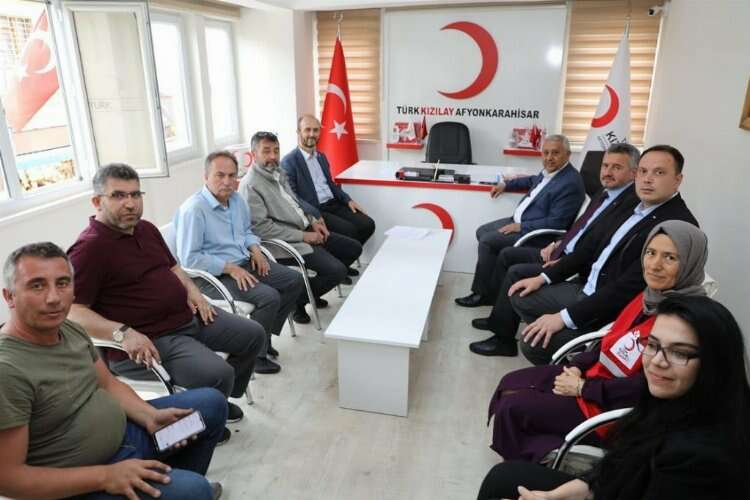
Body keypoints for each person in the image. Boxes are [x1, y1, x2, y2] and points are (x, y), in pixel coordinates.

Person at [0, 242, 227, 500]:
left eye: (62, 283)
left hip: (126, 437)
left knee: (211, 405)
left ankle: (173, 482)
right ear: (10, 297)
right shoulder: (7, 370)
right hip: (80, 480)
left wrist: (149, 415)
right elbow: (8, 479)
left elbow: (108, 384)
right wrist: (106, 476)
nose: (53, 298)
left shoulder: (68, 329)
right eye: (37, 285)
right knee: (196, 491)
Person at [477, 295, 750, 500]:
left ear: (714, 363)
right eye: (653, 345)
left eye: (679, 352)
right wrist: (559, 495)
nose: (657, 361)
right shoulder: (669, 401)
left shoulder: (701, 457)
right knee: (504, 477)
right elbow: (617, 469)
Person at [67, 164, 265, 439]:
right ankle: (206, 420)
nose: (130, 203)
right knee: (218, 373)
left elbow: (174, 268)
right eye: (119, 195)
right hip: (152, 340)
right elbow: (73, 311)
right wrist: (122, 333)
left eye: (135, 194)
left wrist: (194, 292)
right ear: (97, 201)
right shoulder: (89, 249)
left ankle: (215, 403)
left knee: (253, 335)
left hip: (188, 317)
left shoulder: (145, 229)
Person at [486, 221, 708, 463]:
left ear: (690, 264)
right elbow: (612, 340)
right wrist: (577, 365)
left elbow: (648, 387)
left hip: (610, 408)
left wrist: (583, 388)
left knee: (513, 407)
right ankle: (528, 456)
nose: (654, 265)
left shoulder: (684, 323)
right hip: (595, 378)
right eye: (650, 253)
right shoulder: (649, 297)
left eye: (670, 258)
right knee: (510, 383)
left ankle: (523, 468)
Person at [470, 145, 699, 361]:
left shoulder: (676, 226)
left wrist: (563, 318)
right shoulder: (634, 206)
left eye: (659, 172)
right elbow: (589, 246)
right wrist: (543, 277)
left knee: (532, 344)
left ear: (678, 179)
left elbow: (627, 289)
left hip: (610, 310)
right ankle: (561, 339)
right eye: (644, 171)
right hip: (588, 286)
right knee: (520, 294)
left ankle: (575, 360)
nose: (647, 179)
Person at [471, 142, 640, 331]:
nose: (607, 172)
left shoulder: (626, 206)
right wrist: (558, 243)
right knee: (505, 254)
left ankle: (501, 333)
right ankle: (495, 308)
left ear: (633, 173)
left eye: (616, 167)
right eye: (605, 166)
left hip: (570, 259)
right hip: (560, 248)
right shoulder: (604, 192)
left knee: (513, 269)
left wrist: (563, 258)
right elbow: (581, 227)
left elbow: (587, 240)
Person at [173, 151, 305, 375]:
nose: (227, 181)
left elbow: (246, 232)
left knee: (293, 280)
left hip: (244, 262)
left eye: (232, 175)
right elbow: (190, 259)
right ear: (205, 177)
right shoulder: (194, 210)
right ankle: (257, 356)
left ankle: (262, 339)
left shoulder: (236, 200)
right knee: (268, 297)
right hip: (212, 276)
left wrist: (255, 249)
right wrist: (229, 268)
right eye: (220, 175)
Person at [239, 131, 362, 324]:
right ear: (254, 154)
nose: (273, 156)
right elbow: (261, 229)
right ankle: (298, 300)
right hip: (285, 243)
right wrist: (303, 236)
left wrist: (312, 221)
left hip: (305, 230)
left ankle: (305, 294)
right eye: (266, 151)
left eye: (276, 150)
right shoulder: (250, 185)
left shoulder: (278, 172)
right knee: (336, 271)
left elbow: (295, 203)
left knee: (353, 248)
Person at [456, 135, 585, 308]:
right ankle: (494, 285)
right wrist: (506, 185)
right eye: (546, 152)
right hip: (520, 221)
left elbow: (557, 223)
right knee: (482, 231)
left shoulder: (570, 182)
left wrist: (521, 226)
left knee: (488, 241)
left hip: (535, 233)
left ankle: (483, 295)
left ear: (568, 155)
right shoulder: (551, 172)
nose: (549, 158)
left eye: (555, 153)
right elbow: (532, 180)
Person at [282, 114, 376, 271]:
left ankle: (343, 263)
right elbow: (293, 197)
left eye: (315, 130)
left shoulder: (321, 156)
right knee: (349, 230)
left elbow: (331, 184)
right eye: (307, 130)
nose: (312, 134)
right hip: (316, 210)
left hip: (333, 203)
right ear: (298, 132)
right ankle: (337, 267)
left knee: (368, 224)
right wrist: (314, 214)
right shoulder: (289, 161)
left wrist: (348, 200)